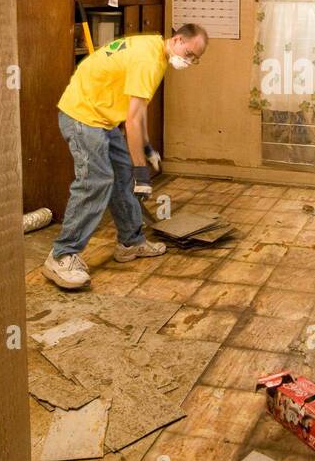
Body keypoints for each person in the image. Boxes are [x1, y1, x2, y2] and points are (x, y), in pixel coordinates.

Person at [42, 24, 209, 289]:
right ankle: (62, 255)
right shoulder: (148, 60)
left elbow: (138, 112)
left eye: (194, 59)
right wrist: (142, 173)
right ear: (177, 39)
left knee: (121, 176)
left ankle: (130, 242)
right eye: (189, 53)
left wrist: (145, 148)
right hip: (83, 115)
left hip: (103, 117)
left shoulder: (155, 50)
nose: (189, 60)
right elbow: (131, 121)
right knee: (96, 181)